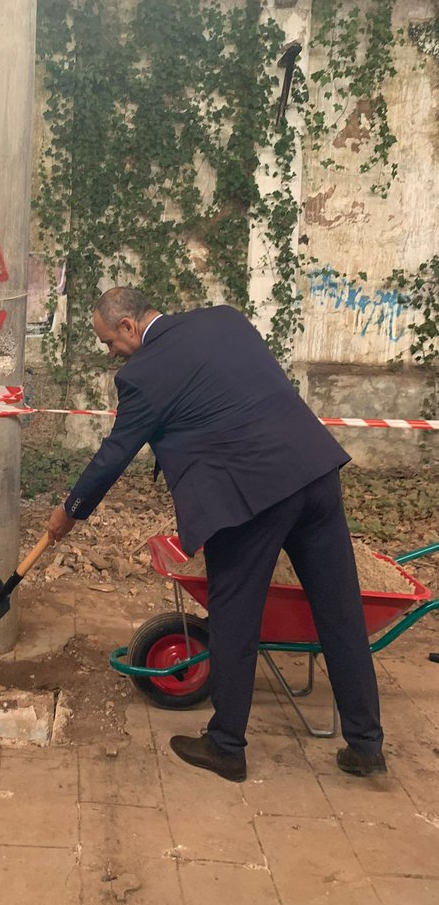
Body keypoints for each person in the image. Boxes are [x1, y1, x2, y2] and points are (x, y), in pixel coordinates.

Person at [46, 287, 386, 782]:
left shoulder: (142, 373)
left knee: (234, 617)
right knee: (340, 611)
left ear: (128, 326)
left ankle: (226, 745)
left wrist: (69, 512)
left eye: (108, 343)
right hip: (315, 475)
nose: (110, 354)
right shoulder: (224, 320)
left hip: (250, 499)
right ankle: (366, 745)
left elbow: (114, 454)